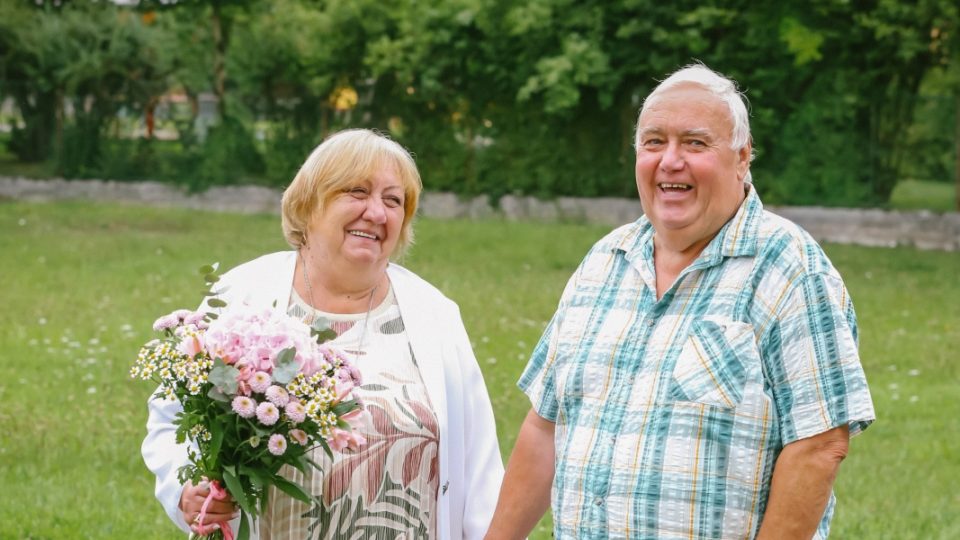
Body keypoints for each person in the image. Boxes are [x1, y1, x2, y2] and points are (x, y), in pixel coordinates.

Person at [485, 64, 875, 539]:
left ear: (742, 158)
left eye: (694, 143)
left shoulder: (787, 267)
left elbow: (819, 445)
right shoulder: (605, 261)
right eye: (654, 142)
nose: (670, 161)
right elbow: (545, 426)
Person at [142, 128, 504, 539]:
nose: (377, 212)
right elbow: (173, 419)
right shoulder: (243, 294)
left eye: (393, 200)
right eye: (357, 191)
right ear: (309, 203)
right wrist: (186, 490)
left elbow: (479, 466)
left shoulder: (434, 313)